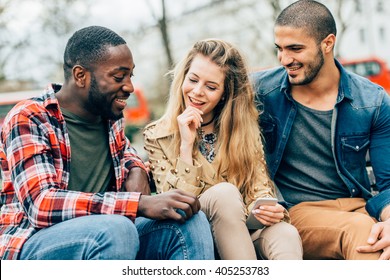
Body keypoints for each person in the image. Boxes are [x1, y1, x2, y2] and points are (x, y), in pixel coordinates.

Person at [0, 25, 214, 260]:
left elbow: (127, 154)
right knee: (116, 228)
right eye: (118, 76)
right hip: (35, 243)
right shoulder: (30, 116)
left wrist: (137, 168)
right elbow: (40, 204)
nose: (129, 87)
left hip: (107, 236)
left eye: (130, 75)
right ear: (81, 76)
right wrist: (139, 204)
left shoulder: (108, 116)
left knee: (188, 219)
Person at [252, 0, 390, 260]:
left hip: (357, 208)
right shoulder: (260, 92)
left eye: (295, 49)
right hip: (294, 213)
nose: (284, 59)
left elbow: (388, 183)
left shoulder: (372, 100)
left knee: (378, 236)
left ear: (327, 44)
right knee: (364, 234)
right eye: (279, 49)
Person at [143, 38, 303, 260]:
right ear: (183, 78)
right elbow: (176, 207)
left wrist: (266, 208)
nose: (197, 91)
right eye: (193, 80)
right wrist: (186, 147)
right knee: (224, 193)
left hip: (242, 230)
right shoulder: (157, 134)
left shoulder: (244, 130)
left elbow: (260, 188)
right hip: (196, 235)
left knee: (285, 233)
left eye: (211, 87)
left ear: (225, 94)